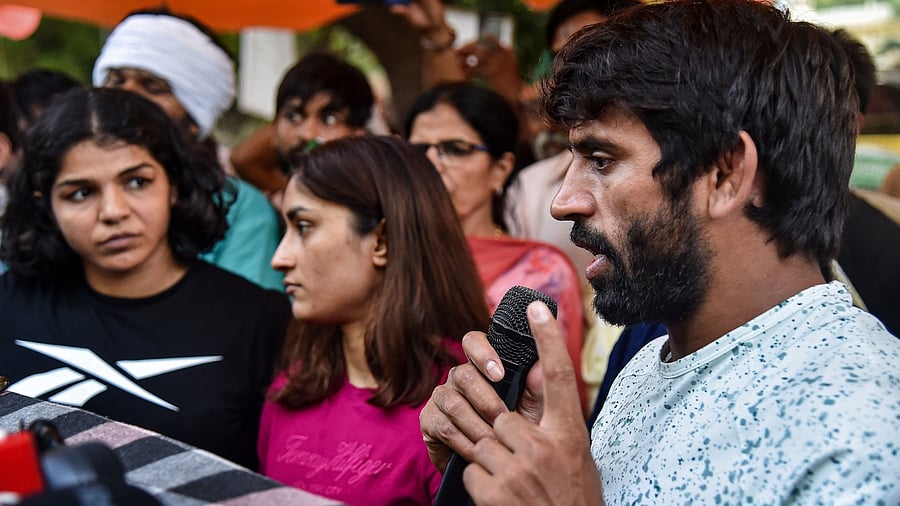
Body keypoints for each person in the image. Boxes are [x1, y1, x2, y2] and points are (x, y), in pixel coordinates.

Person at [418, 0, 900, 504]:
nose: (564, 202)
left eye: (601, 160)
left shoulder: (865, 428)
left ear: (725, 174)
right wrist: (515, 461)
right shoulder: (651, 363)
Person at [0, 87, 290, 471]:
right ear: (45, 202)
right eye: (81, 192)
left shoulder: (259, 319)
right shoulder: (7, 308)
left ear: (174, 183)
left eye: (137, 182)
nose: (113, 211)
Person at [257, 136, 489, 505]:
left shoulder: (459, 402)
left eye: (303, 226)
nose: (279, 258)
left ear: (380, 240)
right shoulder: (293, 387)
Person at [405, 82, 587, 409]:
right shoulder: (388, 253)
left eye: (455, 148)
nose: (432, 163)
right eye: (419, 151)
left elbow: (551, 400)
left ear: (500, 170)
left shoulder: (540, 270)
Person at [503, 0, 645, 411]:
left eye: (603, 162)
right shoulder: (530, 185)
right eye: (563, 52)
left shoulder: (659, 339)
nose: (563, 205)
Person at [92, 9, 284, 291]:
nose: (125, 95)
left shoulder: (242, 211)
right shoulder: (64, 188)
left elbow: (242, 321)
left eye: (153, 86)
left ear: (195, 118)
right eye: (116, 80)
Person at [230, 51, 375, 208]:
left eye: (329, 120)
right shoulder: (268, 211)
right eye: (293, 117)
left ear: (360, 135)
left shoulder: (378, 207)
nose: (307, 134)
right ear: (274, 127)